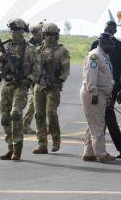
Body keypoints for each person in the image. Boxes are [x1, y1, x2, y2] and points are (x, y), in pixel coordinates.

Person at [0, 18, 39, 161]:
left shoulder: (30, 49)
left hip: (21, 86)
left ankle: (17, 149)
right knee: (5, 118)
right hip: (6, 85)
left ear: (23, 31)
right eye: (12, 29)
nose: (14, 32)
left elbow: (37, 69)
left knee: (16, 114)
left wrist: (28, 79)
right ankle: (10, 148)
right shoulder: (4, 47)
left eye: (17, 29)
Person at [90, 21, 121, 158]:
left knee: (105, 118)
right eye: (107, 29)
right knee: (101, 119)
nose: (109, 31)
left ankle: (104, 150)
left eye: (112, 30)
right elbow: (91, 70)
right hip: (97, 88)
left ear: (115, 32)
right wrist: (92, 89)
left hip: (112, 89)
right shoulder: (96, 46)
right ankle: (98, 150)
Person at [32, 23, 70, 154]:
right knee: (39, 115)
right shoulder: (37, 50)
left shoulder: (62, 51)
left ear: (57, 35)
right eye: (48, 34)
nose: (51, 37)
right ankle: (42, 143)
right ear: (43, 35)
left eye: (53, 34)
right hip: (39, 86)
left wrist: (58, 81)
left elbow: (65, 70)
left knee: (51, 113)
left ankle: (56, 139)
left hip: (53, 87)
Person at [80, 33, 117, 163]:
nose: (113, 47)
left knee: (93, 124)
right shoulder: (95, 56)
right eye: (111, 44)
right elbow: (91, 76)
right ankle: (101, 154)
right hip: (94, 94)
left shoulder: (104, 56)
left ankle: (89, 153)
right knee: (98, 125)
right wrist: (94, 92)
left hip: (101, 94)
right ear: (103, 42)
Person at [23, 22, 44, 134]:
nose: (43, 34)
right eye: (41, 32)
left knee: (37, 100)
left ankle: (26, 124)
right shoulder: (30, 45)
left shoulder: (40, 42)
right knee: (35, 100)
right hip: (32, 75)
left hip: (40, 75)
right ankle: (25, 124)